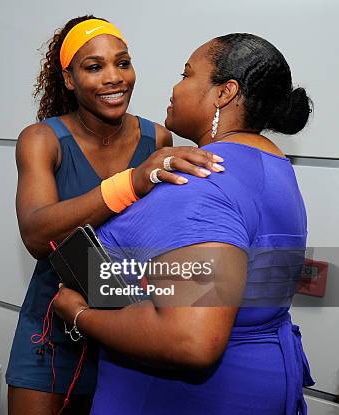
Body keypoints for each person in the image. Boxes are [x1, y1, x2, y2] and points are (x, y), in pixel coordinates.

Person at [53, 33, 314, 414]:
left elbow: (191, 338)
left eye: (186, 74)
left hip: (181, 399)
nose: (175, 87)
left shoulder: (199, 178)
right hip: (261, 383)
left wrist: (80, 315)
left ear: (225, 93)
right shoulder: (275, 168)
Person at [6, 15, 226, 415]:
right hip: (55, 325)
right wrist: (131, 183)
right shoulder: (42, 139)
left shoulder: (156, 138)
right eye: (94, 67)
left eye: (122, 63)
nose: (114, 77)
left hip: (130, 323)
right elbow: (38, 235)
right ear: (69, 80)